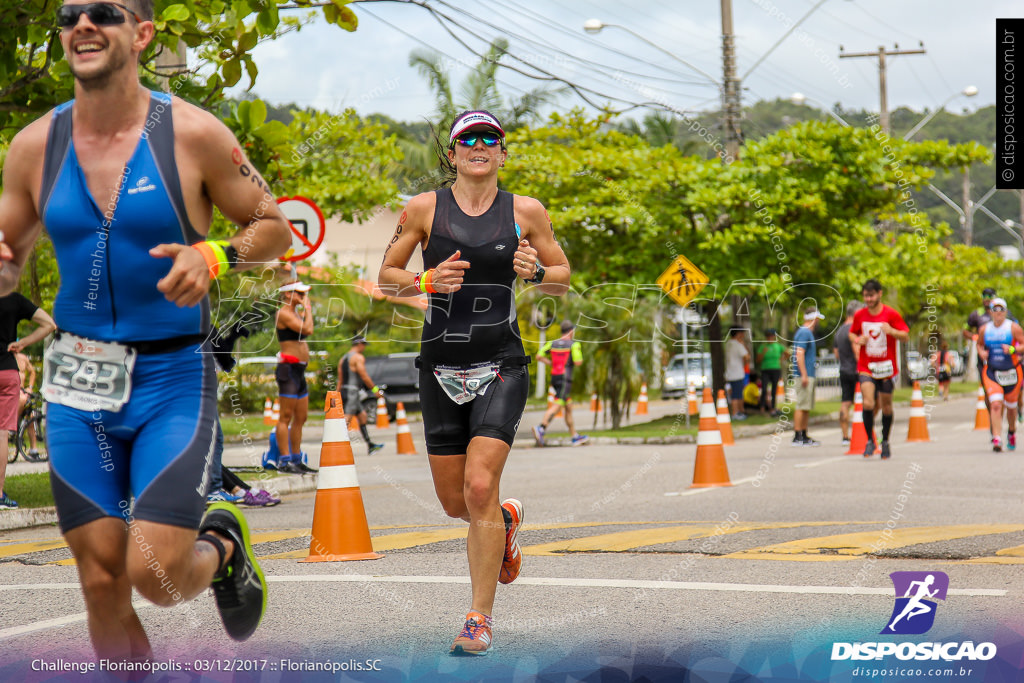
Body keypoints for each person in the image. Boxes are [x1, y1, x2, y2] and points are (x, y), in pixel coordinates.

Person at [0, 0, 291, 660]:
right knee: (101, 579)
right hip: (77, 382)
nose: (81, 24)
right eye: (71, 13)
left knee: (153, 575)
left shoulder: (192, 133)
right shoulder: (32, 147)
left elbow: (273, 225)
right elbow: (9, 268)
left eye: (102, 12)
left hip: (171, 378)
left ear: (143, 33)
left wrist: (214, 254)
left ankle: (222, 546)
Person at [378, 109, 570, 655]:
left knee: (480, 487)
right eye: (469, 139)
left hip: (500, 364)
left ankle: (478, 618)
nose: (480, 146)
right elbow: (386, 277)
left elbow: (562, 278)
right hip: (437, 364)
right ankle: (505, 523)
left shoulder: (525, 211)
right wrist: (423, 279)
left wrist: (536, 273)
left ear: (503, 154)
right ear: (453, 153)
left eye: (491, 139)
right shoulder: (423, 209)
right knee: (455, 502)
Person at [0, 292, 56, 509]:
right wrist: (22, 342)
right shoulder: (13, 298)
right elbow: (48, 324)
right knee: (2, 433)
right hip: (6, 371)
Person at [850, 279, 910, 459]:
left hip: (886, 367)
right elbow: (852, 332)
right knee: (867, 403)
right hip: (866, 366)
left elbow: (905, 335)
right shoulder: (860, 315)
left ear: (879, 294)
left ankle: (886, 441)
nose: (868, 299)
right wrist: (857, 339)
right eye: (865, 296)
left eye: (871, 295)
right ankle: (870, 440)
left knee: (886, 406)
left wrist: (891, 331)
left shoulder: (891, 314)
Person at [273, 280, 317, 474]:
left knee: (301, 416)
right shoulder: (283, 313)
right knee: (286, 416)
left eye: (303, 294)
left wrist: (304, 310)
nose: (302, 297)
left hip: (299, 370)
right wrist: (308, 309)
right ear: (288, 294)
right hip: (288, 369)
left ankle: (297, 459)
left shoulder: (295, 313)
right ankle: (284, 460)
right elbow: (307, 329)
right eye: (299, 294)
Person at [977, 298, 1024, 452]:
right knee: (996, 404)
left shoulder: (1013, 327)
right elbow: (979, 343)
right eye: (995, 310)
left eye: (1001, 310)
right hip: (992, 371)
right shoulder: (985, 329)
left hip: (1011, 371)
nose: (998, 313)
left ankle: (1011, 432)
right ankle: (996, 438)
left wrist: (1013, 350)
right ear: (990, 312)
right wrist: (981, 352)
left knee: (1011, 408)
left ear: (1005, 311)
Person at [533, 320, 588, 446]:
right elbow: (578, 361)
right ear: (571, 331)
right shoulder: (574, 344)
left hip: (555, 376)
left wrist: (551, 363)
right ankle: (541, 428)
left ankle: (574, 436)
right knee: (558, 403)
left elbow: (539, 356)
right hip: (565, 378)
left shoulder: (552, 343)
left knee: (568, 406)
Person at [337, 335, 385, 456]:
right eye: (363, 345)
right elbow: (364, 376)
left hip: (346, 391)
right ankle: (336, 445)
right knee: (346, 419)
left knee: (362, 416)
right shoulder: (358, 358)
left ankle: (370, 445)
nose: (364, 348)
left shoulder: (343, 359)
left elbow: (340, 379)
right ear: (359, 344)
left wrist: (336, 394)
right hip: (352, 392)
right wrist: (375, 389)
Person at [792, 307, 825, 446]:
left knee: (806, 406)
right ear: (812, 318)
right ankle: (798, 435)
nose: (817, 322)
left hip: (808, 374)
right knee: (802, 404)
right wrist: (804, 374)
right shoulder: (804, 332)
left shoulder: (807, 332)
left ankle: (804, 434)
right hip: (804, 375)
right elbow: (799, 353)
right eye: (817, 319)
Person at [833, 300, 864, 446]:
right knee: (865, 402)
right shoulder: (853, 329)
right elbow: (857, 350)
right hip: (856, 371)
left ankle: (845, 436)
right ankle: (865, 433)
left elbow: (836, 353)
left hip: (844, 369)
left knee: (845, 403)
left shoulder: (839, 331)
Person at [756, 328, 788, 416]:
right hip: (765, 369)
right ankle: (762, 407)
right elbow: (758, 360)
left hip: (775, 369)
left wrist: (781, 359)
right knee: (764, 388)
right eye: (768, 336)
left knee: (774, 389)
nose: (769, 337)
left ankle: (773, 408)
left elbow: (788, 353)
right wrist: (763, 353)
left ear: (774, 336)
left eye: (771, 335)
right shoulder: (763, 347)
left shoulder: (778, 346)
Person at [16, 351, 41, 459]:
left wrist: (29, 387)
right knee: (22, 399)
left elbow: (32, 372)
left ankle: (33, 450)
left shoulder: (23, 358)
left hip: (22, 392)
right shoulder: (5, 358)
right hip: (10, 393)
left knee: (31, 417)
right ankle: (11, 427)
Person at [725, 327, 750, 420]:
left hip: (730, 373)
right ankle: (736, 413)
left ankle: (739, 411)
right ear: (738, 334)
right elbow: (747, 356)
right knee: (737, 394)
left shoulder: (728, 343)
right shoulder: (738, 344)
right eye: (742, 333)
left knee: (735, 393)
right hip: (737, 373)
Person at [929, 338, 953, 402]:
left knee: (940, 383)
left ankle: (940, 392)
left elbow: (932, 361)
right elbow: (952, 363)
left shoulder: (937, 354)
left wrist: (935, 366)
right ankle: (945, 396)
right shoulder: (948, 354)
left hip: (939, 370)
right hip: (946, 370)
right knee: (946, 384)